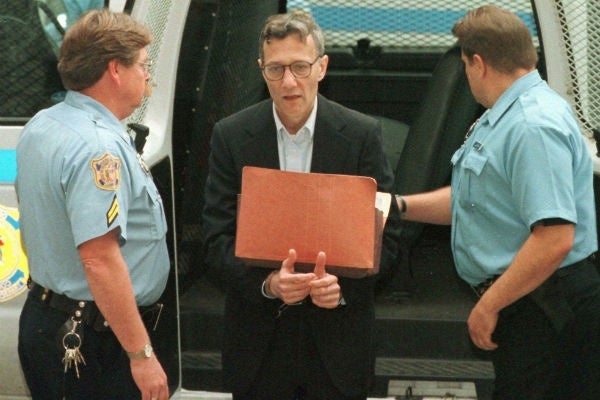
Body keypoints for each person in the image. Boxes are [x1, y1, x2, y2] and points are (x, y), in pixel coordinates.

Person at [396, 5, 600, 400]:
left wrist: (489, 305)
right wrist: (399, 206)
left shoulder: (531, 127)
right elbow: (474, 200)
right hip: (530, 298)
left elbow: (554, 237)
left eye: (466, 66)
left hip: (545, 306)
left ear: (478, 63)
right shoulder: (503, 117)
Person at [202, 10, 400, 400]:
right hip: (258, 348)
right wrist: (268, 284)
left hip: (339, 349)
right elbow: (215, 240)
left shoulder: (361, 135)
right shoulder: (231, 136)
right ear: (261, 70)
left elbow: (388, 239)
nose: (289, 81)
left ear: (322, 67)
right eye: (276, 69)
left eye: (300, 67)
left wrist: (340, 290)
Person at [16, 9, 170, 400]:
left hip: (50, 319)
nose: (148, 75)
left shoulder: (45, 123)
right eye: (143, 65)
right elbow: (100, 259)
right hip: (94, 341)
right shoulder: (99, 147)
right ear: (115, 70)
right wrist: (141, 354)